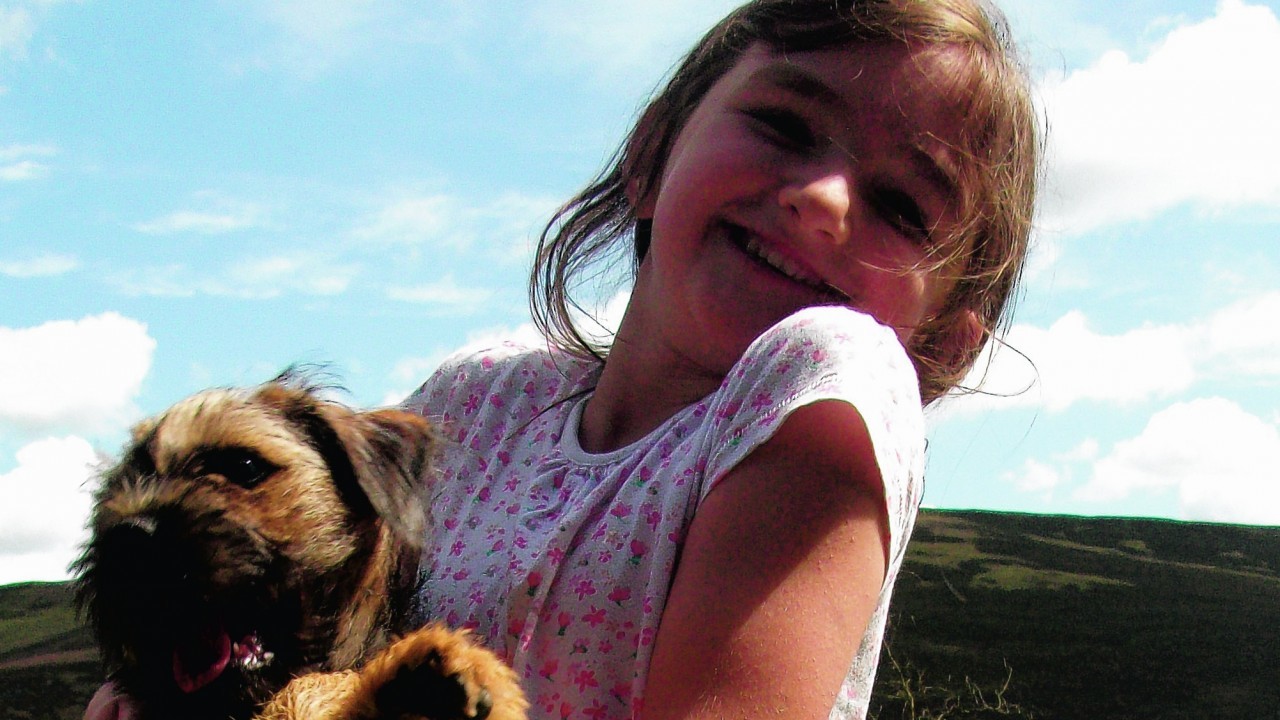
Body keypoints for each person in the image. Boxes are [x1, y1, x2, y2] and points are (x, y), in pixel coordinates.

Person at [86, 0, 1038, 718]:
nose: (824, 197)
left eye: (904, 207)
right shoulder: (477, 399)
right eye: (786, 126)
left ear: (942, 337)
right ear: (651, 151)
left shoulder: (827, 374)